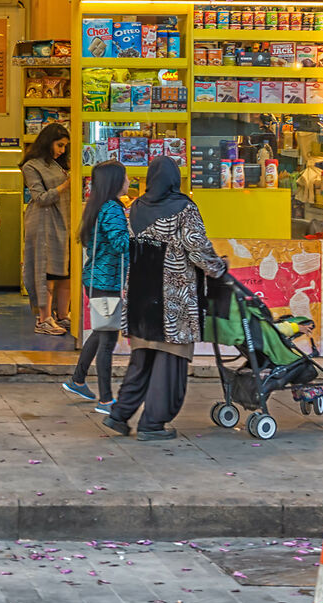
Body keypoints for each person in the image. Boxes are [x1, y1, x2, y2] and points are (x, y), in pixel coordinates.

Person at [103, 155, 227, 441]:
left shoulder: (134, 206)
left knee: (142, 358)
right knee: (170, 360)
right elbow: (197, 249)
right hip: (172, 296)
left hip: (140, 295)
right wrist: (218, 268)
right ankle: (152, 423)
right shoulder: (184, 208)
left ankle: (120, 414)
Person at [62, 159, 131, 404]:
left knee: (101, 332)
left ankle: (77, 380)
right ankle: (106, 400)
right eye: (124, 177)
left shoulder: (99, 206)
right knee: (108, 338)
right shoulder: (112, 209)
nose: (128, 181)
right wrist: (137, 234)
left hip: (98, 280)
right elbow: (121, 243)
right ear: (115, 181)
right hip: (106, 282)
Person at [20, 124, 72, 336]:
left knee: (65, 271)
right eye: (59, 145)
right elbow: (40, 198)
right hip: (43, 222)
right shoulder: (31, 166)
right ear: (47, 141)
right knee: (45, 270)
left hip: (63, 222)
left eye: (65, 147)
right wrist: (65, 185)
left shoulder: (59, 165)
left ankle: (62, 314)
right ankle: (43, 319)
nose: (61, 150)